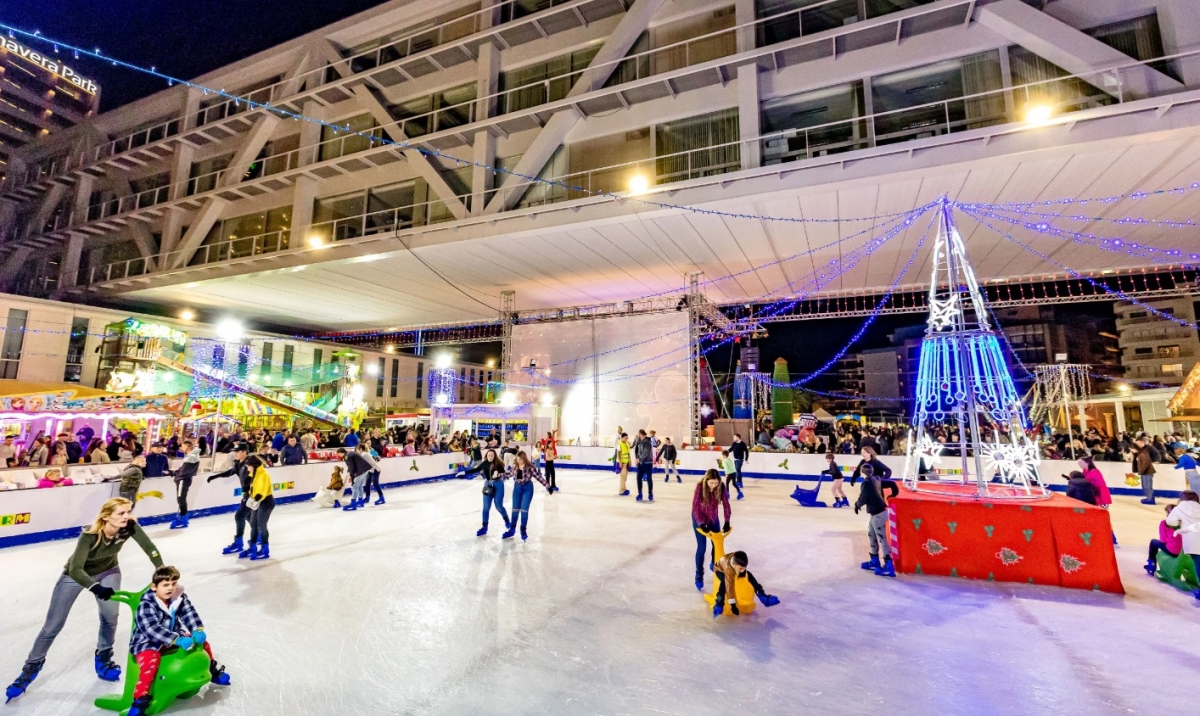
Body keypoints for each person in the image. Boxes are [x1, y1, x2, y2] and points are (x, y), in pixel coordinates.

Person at [5, 497, 164, 702]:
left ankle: (104, 659)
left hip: (108, 571)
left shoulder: (129, 527)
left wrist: (160, 568)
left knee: (110, 617)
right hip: (75, 576)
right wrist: (95, 587)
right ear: (107, 516)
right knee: (52, 626)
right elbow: (75, 569)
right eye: (121, 513)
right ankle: (29, 669)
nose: (127, 516)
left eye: (128, 512)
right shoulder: (90, 534)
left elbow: (149, 547)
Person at [124, 565, 231, 716]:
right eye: (165, 585)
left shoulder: (178, 598)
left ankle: (212, 670)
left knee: (202, 643)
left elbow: (189, 613)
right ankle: (140, 699)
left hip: (173, 637)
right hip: (147, 643)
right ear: (154, 587)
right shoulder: (146, 605)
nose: (170, 588)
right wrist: (175, 639)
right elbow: (151, 629)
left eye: (173, 584)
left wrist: (196, 629)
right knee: (151, 661)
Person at [207, 443, 254, 556]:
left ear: (244, 452)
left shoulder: (251, 463)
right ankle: (257, 535)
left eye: (237, 451)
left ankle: (238, 543)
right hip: (246, 494)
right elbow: (231, 472)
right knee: (247, 516)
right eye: (235, 451)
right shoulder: (238, 463)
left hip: (252, 494)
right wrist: (215, 476)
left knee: (239, 516)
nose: (235, 453)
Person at [854, 464, 898, 578]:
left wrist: (857, 505)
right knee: (871, 535)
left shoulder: (866, 482)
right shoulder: (876, 479)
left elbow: (864, 497)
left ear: (861, 472)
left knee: (882, 540)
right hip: (878, 514)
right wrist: (894, 493)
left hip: (878, 514)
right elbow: (892, 483)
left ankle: (889, 566)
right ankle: (874, 561)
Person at [692, 469, 731, 591]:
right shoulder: (700, 487)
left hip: (713, 518)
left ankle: (714, 563)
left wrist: (727, 520)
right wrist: (701, 523)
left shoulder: (721, 486)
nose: (713, 486)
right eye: (711, 483)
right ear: (706, 480)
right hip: (699, 518)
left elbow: (726, 504)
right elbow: (695, 507)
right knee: (702, 547)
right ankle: (699, 574)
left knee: (716, 544)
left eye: (716, 483)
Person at [711, 551, 780, 618]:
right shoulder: (729, 570)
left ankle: (762, 596)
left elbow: (743, 571)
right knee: (725, 582)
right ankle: (719, 603)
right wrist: (733, 606)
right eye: (740, 568)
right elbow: (730, 590)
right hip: (719, 570)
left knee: (748, 574)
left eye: (744, 568)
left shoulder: (738, 565)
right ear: (734, 565)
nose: (743, 571)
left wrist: (741, 570)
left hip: (731, 565)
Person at [503, 450, 551, 541]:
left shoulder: (530, 466)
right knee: (515, 510)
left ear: (524, 459)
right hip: (517, 488)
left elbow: (538, 477)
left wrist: (548, 486)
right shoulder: (515, 466)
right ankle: (512, 529)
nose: (519, 461)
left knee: (524, 510)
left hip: (527, 489)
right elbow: (509, 474)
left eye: (520, 459)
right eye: (517, 459)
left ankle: (523, 529)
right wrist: (500, 475)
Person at [237, 455, 274, 561]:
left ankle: (265, 549)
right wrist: (246, 488)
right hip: (256, 501)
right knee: (253, 524)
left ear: (253, 465)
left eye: (248, 467)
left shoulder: (263, 475)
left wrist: (252, 502)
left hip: (265, 502)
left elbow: (261, 492)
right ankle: (252, 547)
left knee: (261, 525)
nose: (247, 469)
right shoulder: (254, 472)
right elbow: (247, 485)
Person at [475, 449, 511, 536]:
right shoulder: (484, 464)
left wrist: (499, 474)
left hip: (498, 485)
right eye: (489, 455)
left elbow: (506, 475)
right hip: (488, 484)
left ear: (494, 456)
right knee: (486, 507)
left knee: (498, 505)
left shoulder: (498, 464)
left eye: (492, 455)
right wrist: (463, 472)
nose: (490, 457)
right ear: (486, 456)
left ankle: (506, 519)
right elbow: (475, 470)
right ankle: (484, 527)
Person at [1164, 490, 1200, 573]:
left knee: (1198, 561)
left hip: (1192, 540)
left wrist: (1179, 522)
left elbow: (1170, 521)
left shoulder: (1179, 508)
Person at [1145, 502, 1184, 576]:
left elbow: (1163, 540)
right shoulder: (1183, 523)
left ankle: (1151, 565)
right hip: (1182, 551)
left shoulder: (1164, 523)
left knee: (1153, 542)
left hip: (1172, 550)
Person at [170, 441, 202, 530]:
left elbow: (183, 471)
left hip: (183, 480)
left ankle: (182, 518)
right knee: (181, 499)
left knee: (181, 499)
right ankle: (183, 517)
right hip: (184, 479)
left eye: (182, 446)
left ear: (187, 446)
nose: (181, 448)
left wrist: (172, 472)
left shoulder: (191, 457)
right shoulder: (191, 456)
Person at [340, 445, 377, 511]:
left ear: (341, 453)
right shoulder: (350, 454)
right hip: (364, 470)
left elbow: (351, 467)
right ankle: (360, 501)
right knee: (359, 486)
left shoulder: (347, 456)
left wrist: (352, 477)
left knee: (354, 486)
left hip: (362, 470)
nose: (338, 455)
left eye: (338, 454)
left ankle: (353, 503)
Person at [1133, 437, 1158, 505]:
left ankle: (1150, 499)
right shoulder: (1141, 451)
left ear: (1141, 442)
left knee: (1147, 485)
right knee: (1145, 485)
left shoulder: (1145, 451)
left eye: (1138, 444)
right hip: (1145, 471)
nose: (1137, 445)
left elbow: (1146, 461)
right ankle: (1149, 497)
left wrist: (1156, 461)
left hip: (1147, 471)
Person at [634, 429, 655, 503]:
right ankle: (640, 493)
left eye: (638, 434)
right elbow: (637, 451)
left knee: (649, 479)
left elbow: (646, 452)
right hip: (641, 463)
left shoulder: (647, 442)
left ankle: (650, 494)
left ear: (640, 434)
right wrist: (637, 459)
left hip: (648, 463)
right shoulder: (639, 442)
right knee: (638, 478)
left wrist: (639, 459)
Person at [728, 433, 749, 499]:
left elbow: (746, 451)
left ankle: (739, 482)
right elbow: (731, 449)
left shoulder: (742, 444)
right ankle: (739, 482)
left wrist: (746, 459)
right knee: (737, 470)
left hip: (740, 459)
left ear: (738, 438)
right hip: (735, 459)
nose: (734, 439)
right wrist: (725, 452)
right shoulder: (734, 443)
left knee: (737, 469)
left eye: (735, 437)